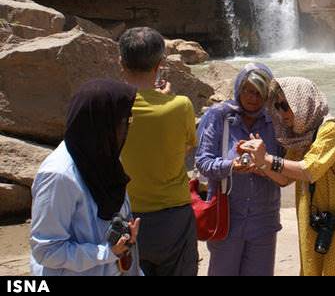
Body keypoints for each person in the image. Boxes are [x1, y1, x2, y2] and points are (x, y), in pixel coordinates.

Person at [241, 77, 335, 276]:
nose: (281, 113)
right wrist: (259, 163)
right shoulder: (301, 136)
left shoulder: (331, 130)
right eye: (277, 106)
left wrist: (267, 159)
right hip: (314, 220)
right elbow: (285, 179)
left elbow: (308, 170)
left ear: (302, 102)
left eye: (285, 105)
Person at [30, 79, 142, 276]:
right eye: (124, 121)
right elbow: (47, 250)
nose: (126, 128)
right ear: (101, 123)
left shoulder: (105, 158)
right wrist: (106, 252)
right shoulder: (59, 176)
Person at [118, 27, 198, 276]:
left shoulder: (111, 106)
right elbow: (184, 148)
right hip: (173, 218)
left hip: (126, 216)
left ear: (121, 62)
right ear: (161, 63)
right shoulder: (181, 106)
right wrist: (166, 100)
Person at [195, 63, 283, 276]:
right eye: (248, 91)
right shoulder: (219, 117)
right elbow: (203, 162)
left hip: (264, 218)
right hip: (226, 216)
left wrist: (264, 165)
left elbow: (286, 167)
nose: (253, 98)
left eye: (260, 93)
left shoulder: (276, 121)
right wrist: (232, 166)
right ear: (238, 89)